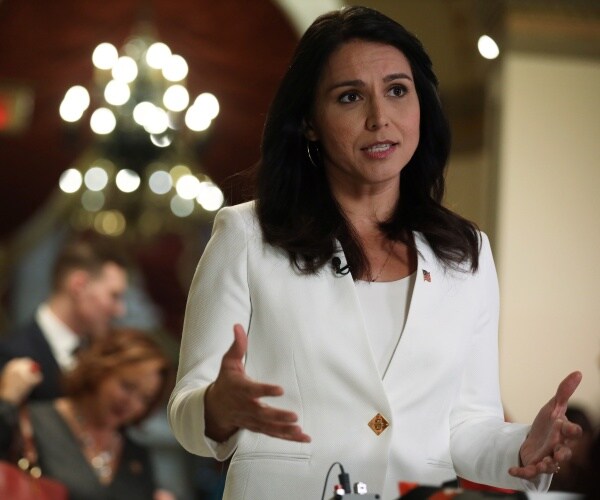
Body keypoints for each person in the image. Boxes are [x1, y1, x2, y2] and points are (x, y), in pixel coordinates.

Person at [168, 6, 583, 499]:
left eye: (397, 90)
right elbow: (185, 411)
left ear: (420, 106)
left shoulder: (466, 253)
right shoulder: (247, 235)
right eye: (349, 97)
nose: (379, 118)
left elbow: (467, 425)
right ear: (309, 123)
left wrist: (522, 448)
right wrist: (217, 407)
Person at [0, 327, 175, 500]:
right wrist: (6, 401)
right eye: (127, 386)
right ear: (100, 370)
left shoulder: (136, 455)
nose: (132, 403)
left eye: (145, 399)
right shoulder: (33, 423)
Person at [0, 235, 129, 400]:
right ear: (79, 285)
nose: (120, 311)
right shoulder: (10, 355)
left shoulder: (103, 358)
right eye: (114, 295)